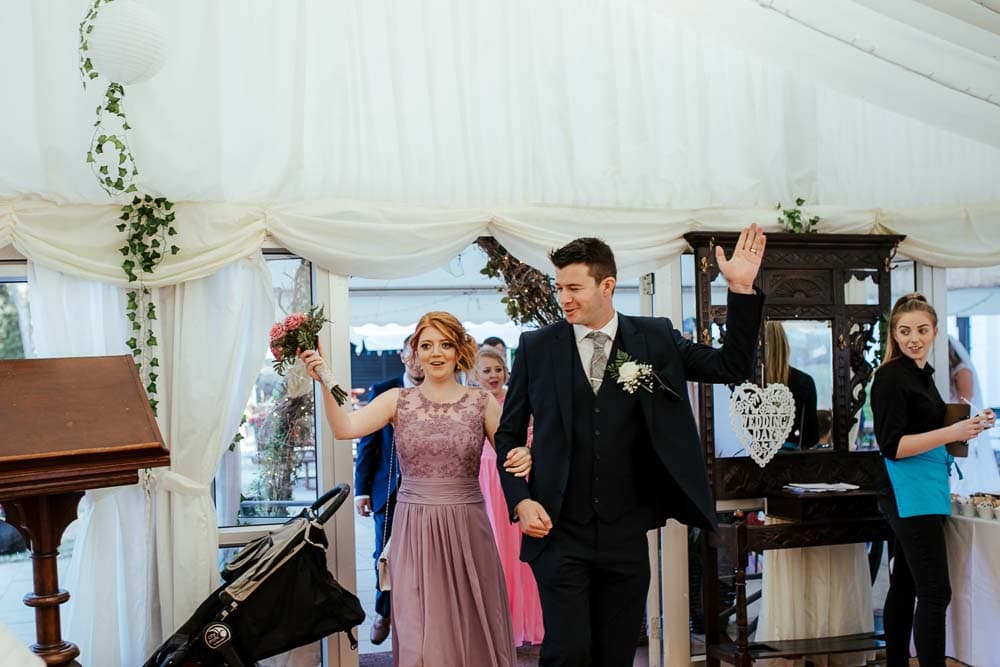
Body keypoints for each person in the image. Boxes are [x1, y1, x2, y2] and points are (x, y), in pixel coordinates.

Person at [495, 224, 766, 665]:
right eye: (559, 287)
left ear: (607, 285)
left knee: (616, 654)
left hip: (626, 532)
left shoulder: (654, 338)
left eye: (574, 287)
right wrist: (521, 501)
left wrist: (739, 290)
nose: (563, 298)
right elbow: (508, 433)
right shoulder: (537, 347)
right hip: (560, 531)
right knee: (567, 651)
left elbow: (732, 366)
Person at [300, 312, 532, 667]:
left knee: (472, 624)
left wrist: (527, 455)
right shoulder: (397, 400)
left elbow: (510, 454)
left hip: (468, 526)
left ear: (459, 350)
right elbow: (345, 427)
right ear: (415, 352)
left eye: (444, 344)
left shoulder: (481, 403)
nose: (435, 353)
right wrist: (323, 378)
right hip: (414, 527)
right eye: (426, 345)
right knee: (420, 629)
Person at [870, 293, 995, 666]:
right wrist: (951, 430)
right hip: (908, 493)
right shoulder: (891, 377)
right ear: (894, 333)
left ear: (936, 332)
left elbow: (934, 427)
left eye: (922, 330)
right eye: (905, 331)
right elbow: (893, 446)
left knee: (907, 585)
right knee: (936, 590)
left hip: (927, 489)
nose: (914, 338)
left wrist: (971, 424)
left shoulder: (922, 376)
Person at [353, 333, 423, 645]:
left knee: (426, 558)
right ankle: (385, 611)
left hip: (430, 490)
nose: (420, 360)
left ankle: (420, 620)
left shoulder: (444, 393)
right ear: (404, 355)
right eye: (415, 352)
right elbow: (368, 443)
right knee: (385, 555)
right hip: (389, 489)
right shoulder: (383, 390)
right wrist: (362, 489)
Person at [474, 346, 545, 647]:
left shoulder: (518, 401)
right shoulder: (473, 404)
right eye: (486, 370)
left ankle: (525, 623)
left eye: (498, 369)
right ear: (475, 374)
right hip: (484, 485)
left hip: (515, 483)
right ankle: (497, 625)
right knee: (493, 556)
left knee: (520, 559)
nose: (493, 375)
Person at [947, 335, 1000, 495]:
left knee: (962, 469)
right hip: (949, 425)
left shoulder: (962, 370)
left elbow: (965, 403)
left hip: (958, 423)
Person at [765, 321, 819, 449]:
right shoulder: (804, 382)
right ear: (783, 345)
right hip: (793, 463)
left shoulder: (747, 386)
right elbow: (811, 439)